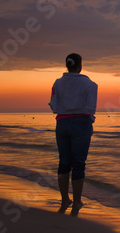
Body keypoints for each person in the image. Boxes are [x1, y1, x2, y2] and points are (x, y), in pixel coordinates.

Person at [48, 53, 98, 216]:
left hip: (62, 123)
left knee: (63, 162)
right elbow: (91, 108)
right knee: (78, 163)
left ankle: (64, 200)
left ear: (67, 65)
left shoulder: (57, 83)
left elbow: (53, 105)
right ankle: (76, 201)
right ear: (80, 65)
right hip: (81, 124)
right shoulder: (90, 84)